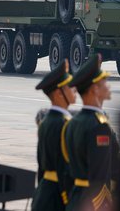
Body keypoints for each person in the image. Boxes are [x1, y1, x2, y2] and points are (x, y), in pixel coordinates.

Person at [63, 54, 119, 211]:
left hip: (75, 199)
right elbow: (99, 175)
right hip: (93, 203)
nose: (108, 87)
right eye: (104, 83)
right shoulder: (99, 127)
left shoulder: (72, 123)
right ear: (94, 89)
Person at [32, 60, 76, 211]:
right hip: (58, 197)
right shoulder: (66, 124)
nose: (74, 90)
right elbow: (67, 169)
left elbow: (41, 164)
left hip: (43, 194)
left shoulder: (45, 123)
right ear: (58, 93)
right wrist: (69, 199)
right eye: (70, 87)